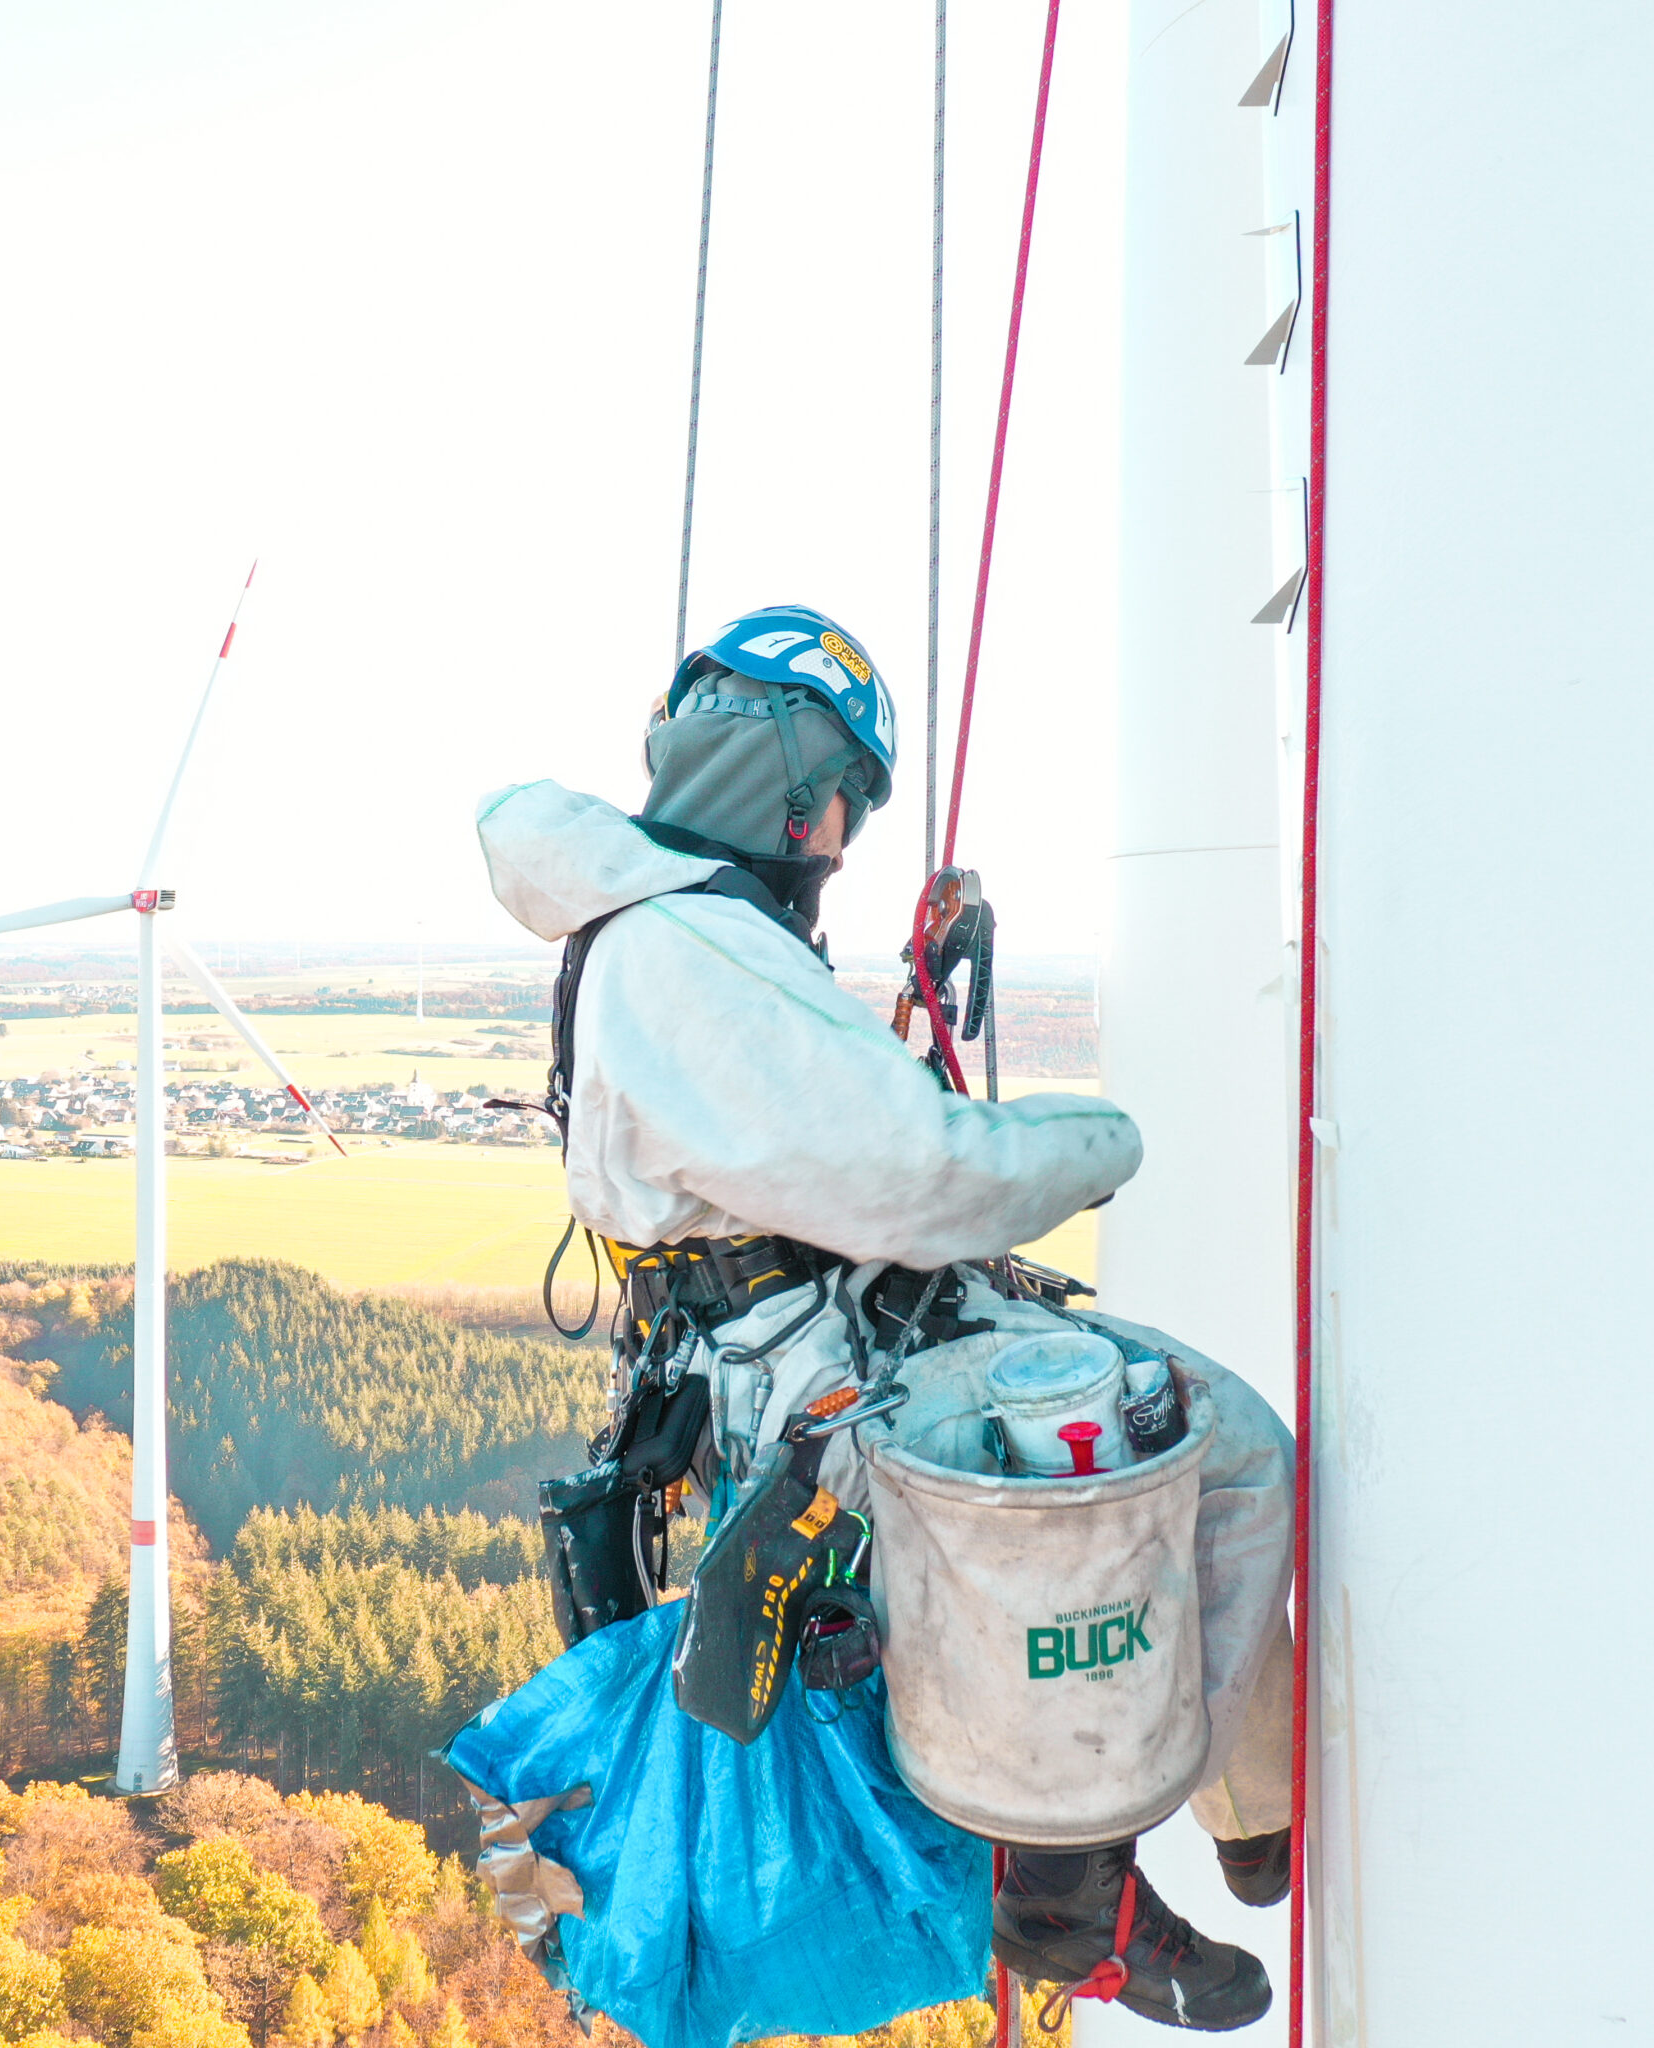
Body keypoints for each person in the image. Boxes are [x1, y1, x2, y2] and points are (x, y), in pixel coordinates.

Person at [471, 603, 1296, 2035]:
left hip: (789, 1360)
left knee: (1170, 1442)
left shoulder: (662, 934)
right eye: (842, 802)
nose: (840, 840)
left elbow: (817, 1151)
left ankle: (1222, 1803)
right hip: (830, 1378)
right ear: (786, 782)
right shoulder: (686, 954)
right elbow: (923, 1176)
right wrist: (1103, 1139)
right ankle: (1091, 1859)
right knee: (1220, 1452)